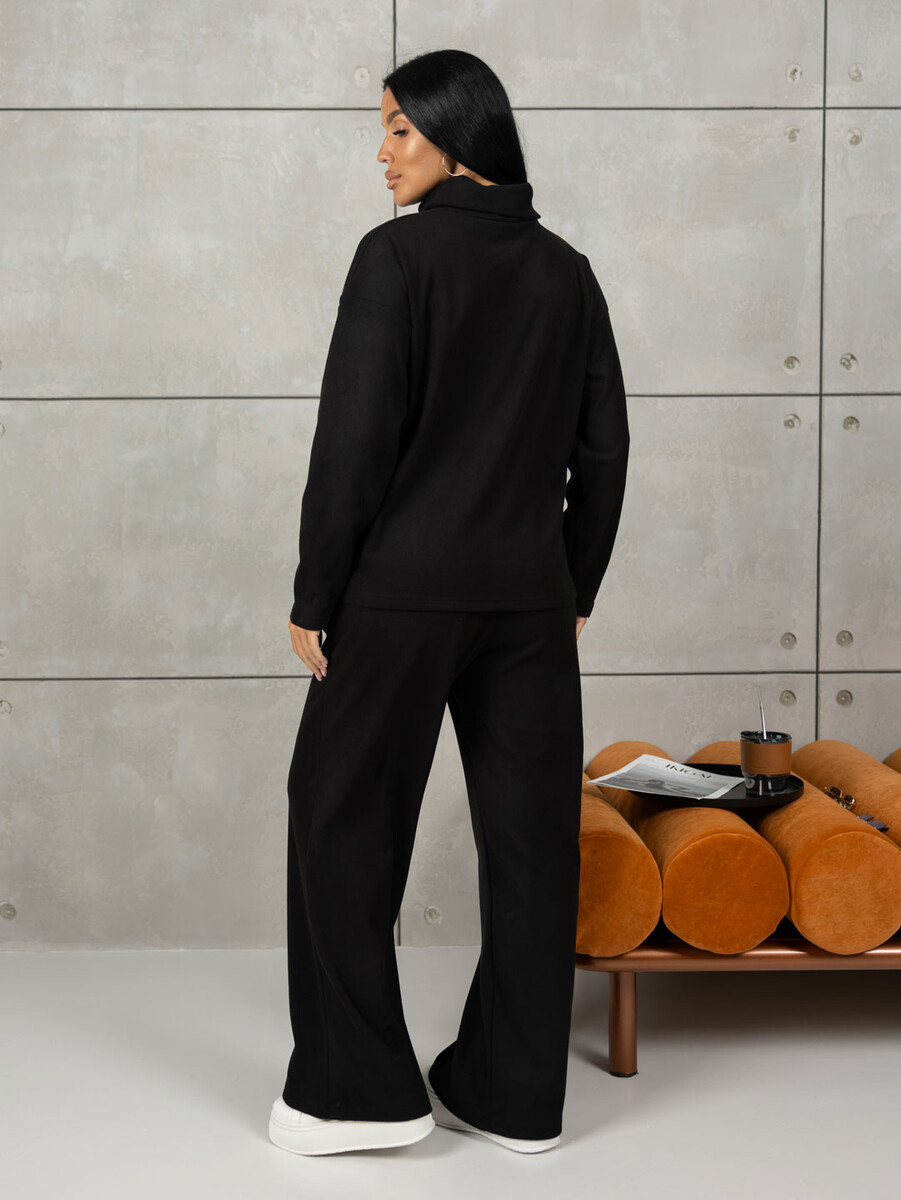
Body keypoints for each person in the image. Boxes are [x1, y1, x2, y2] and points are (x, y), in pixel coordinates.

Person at [269, 48, 630, 1158]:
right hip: (528, 605)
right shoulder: (567, 272)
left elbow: (353, 442)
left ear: (457, 135)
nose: (381, 153)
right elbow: (604, 447)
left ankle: (355, 1095)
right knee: (532, 845)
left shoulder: (396, 256)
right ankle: (514, 1097)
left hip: (398, 598)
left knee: (339, 816)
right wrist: (572, 584)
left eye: (399, 129)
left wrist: (316, 593)